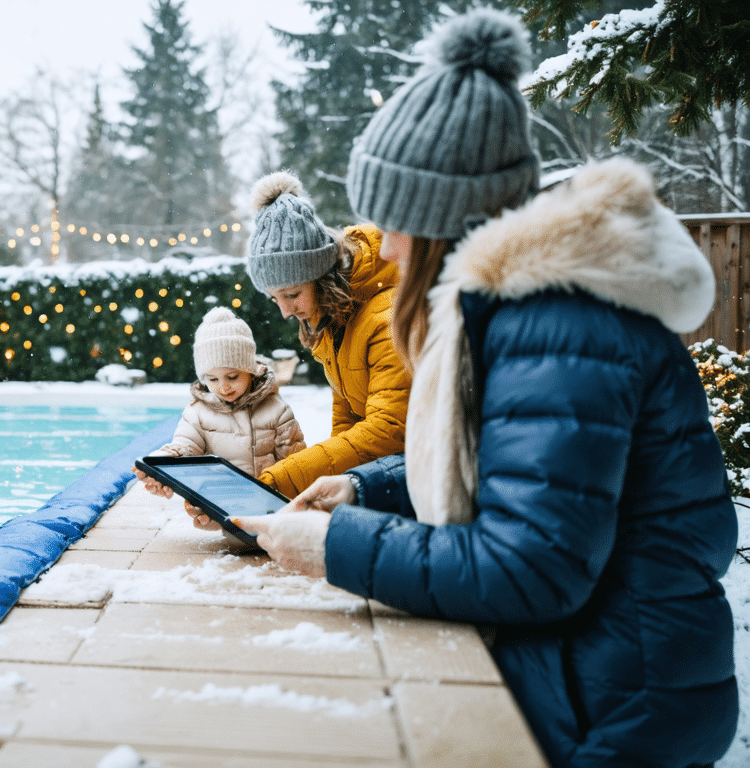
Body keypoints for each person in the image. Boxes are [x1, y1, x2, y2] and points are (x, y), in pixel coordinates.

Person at [233, 9, 738, 767]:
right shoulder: (519, 314)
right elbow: (513, 472)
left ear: (444, 221)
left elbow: (532, 568)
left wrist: (338, 546)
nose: (385, 248)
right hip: (587, 674)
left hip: (613, 703)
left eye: (395, 223)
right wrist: (366, 489)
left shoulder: (564, 327)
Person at [243, 170, 410, 498]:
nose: (285, 312)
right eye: (275, 299)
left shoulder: (385, 318)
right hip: (385, 473)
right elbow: (347, 419)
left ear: (323, 278)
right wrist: (328, 489)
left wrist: (286, 479)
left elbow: (389, 430)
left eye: (292, 294)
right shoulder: (332, 319)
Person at [137, 307, 304, 497]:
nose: (223, 387)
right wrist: (165, 461)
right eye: (212, 379)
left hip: (269, 504)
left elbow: (295, 466)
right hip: (221, 503)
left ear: (250, 370)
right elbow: (185, 445)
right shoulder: (197, 413)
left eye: (232, 376)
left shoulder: (277, 410)